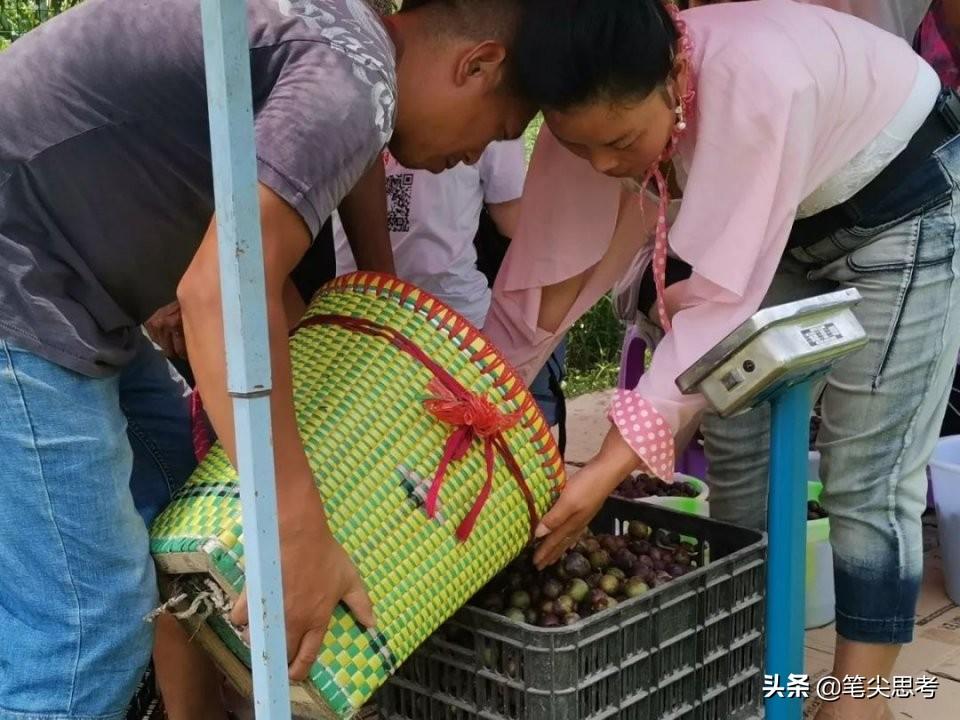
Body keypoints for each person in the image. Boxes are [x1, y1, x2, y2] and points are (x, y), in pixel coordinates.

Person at [0, 1, 535, 719]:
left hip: (71, 287)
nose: (473, 158)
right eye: (496, 132)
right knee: (83, 629)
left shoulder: (345, 37)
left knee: (176, 513)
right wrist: (297, 527)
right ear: (478, 64)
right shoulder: (357, 84)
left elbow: (343, 171)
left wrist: (377, 290)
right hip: (24, 284)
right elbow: (219, 296)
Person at [485, 2, 960, 719]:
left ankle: (861, 704)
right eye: (584, 150)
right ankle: (758, 667)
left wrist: (608, 469)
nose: (607, 166)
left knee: (869, 474)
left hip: (902, 198)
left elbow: (716, 304)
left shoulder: (754, 83)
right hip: (791, 216)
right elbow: (546, 278)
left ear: (676, 76)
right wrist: (490, 399)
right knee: (738, 447)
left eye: (618, 142)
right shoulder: (595, 107)